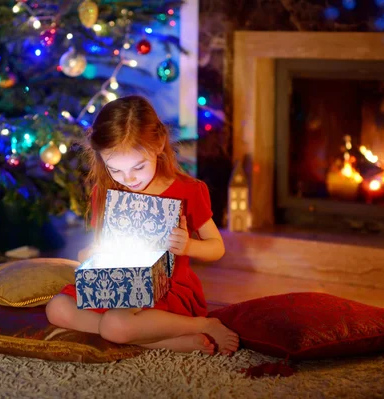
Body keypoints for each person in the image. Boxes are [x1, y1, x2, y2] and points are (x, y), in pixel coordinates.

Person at [46, 95, 239, 356]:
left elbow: (217, 248)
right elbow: (101, 244)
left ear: (159, 144)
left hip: (165, 289)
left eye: (138, 167)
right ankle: (165, 340)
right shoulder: (105, 192)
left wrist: (188, 245)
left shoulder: (187, 190)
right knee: (57, 308)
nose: (129, 179)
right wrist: (90, 257)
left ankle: (202, 324)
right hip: (116, 285)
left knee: (115, 324)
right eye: (115, 169)